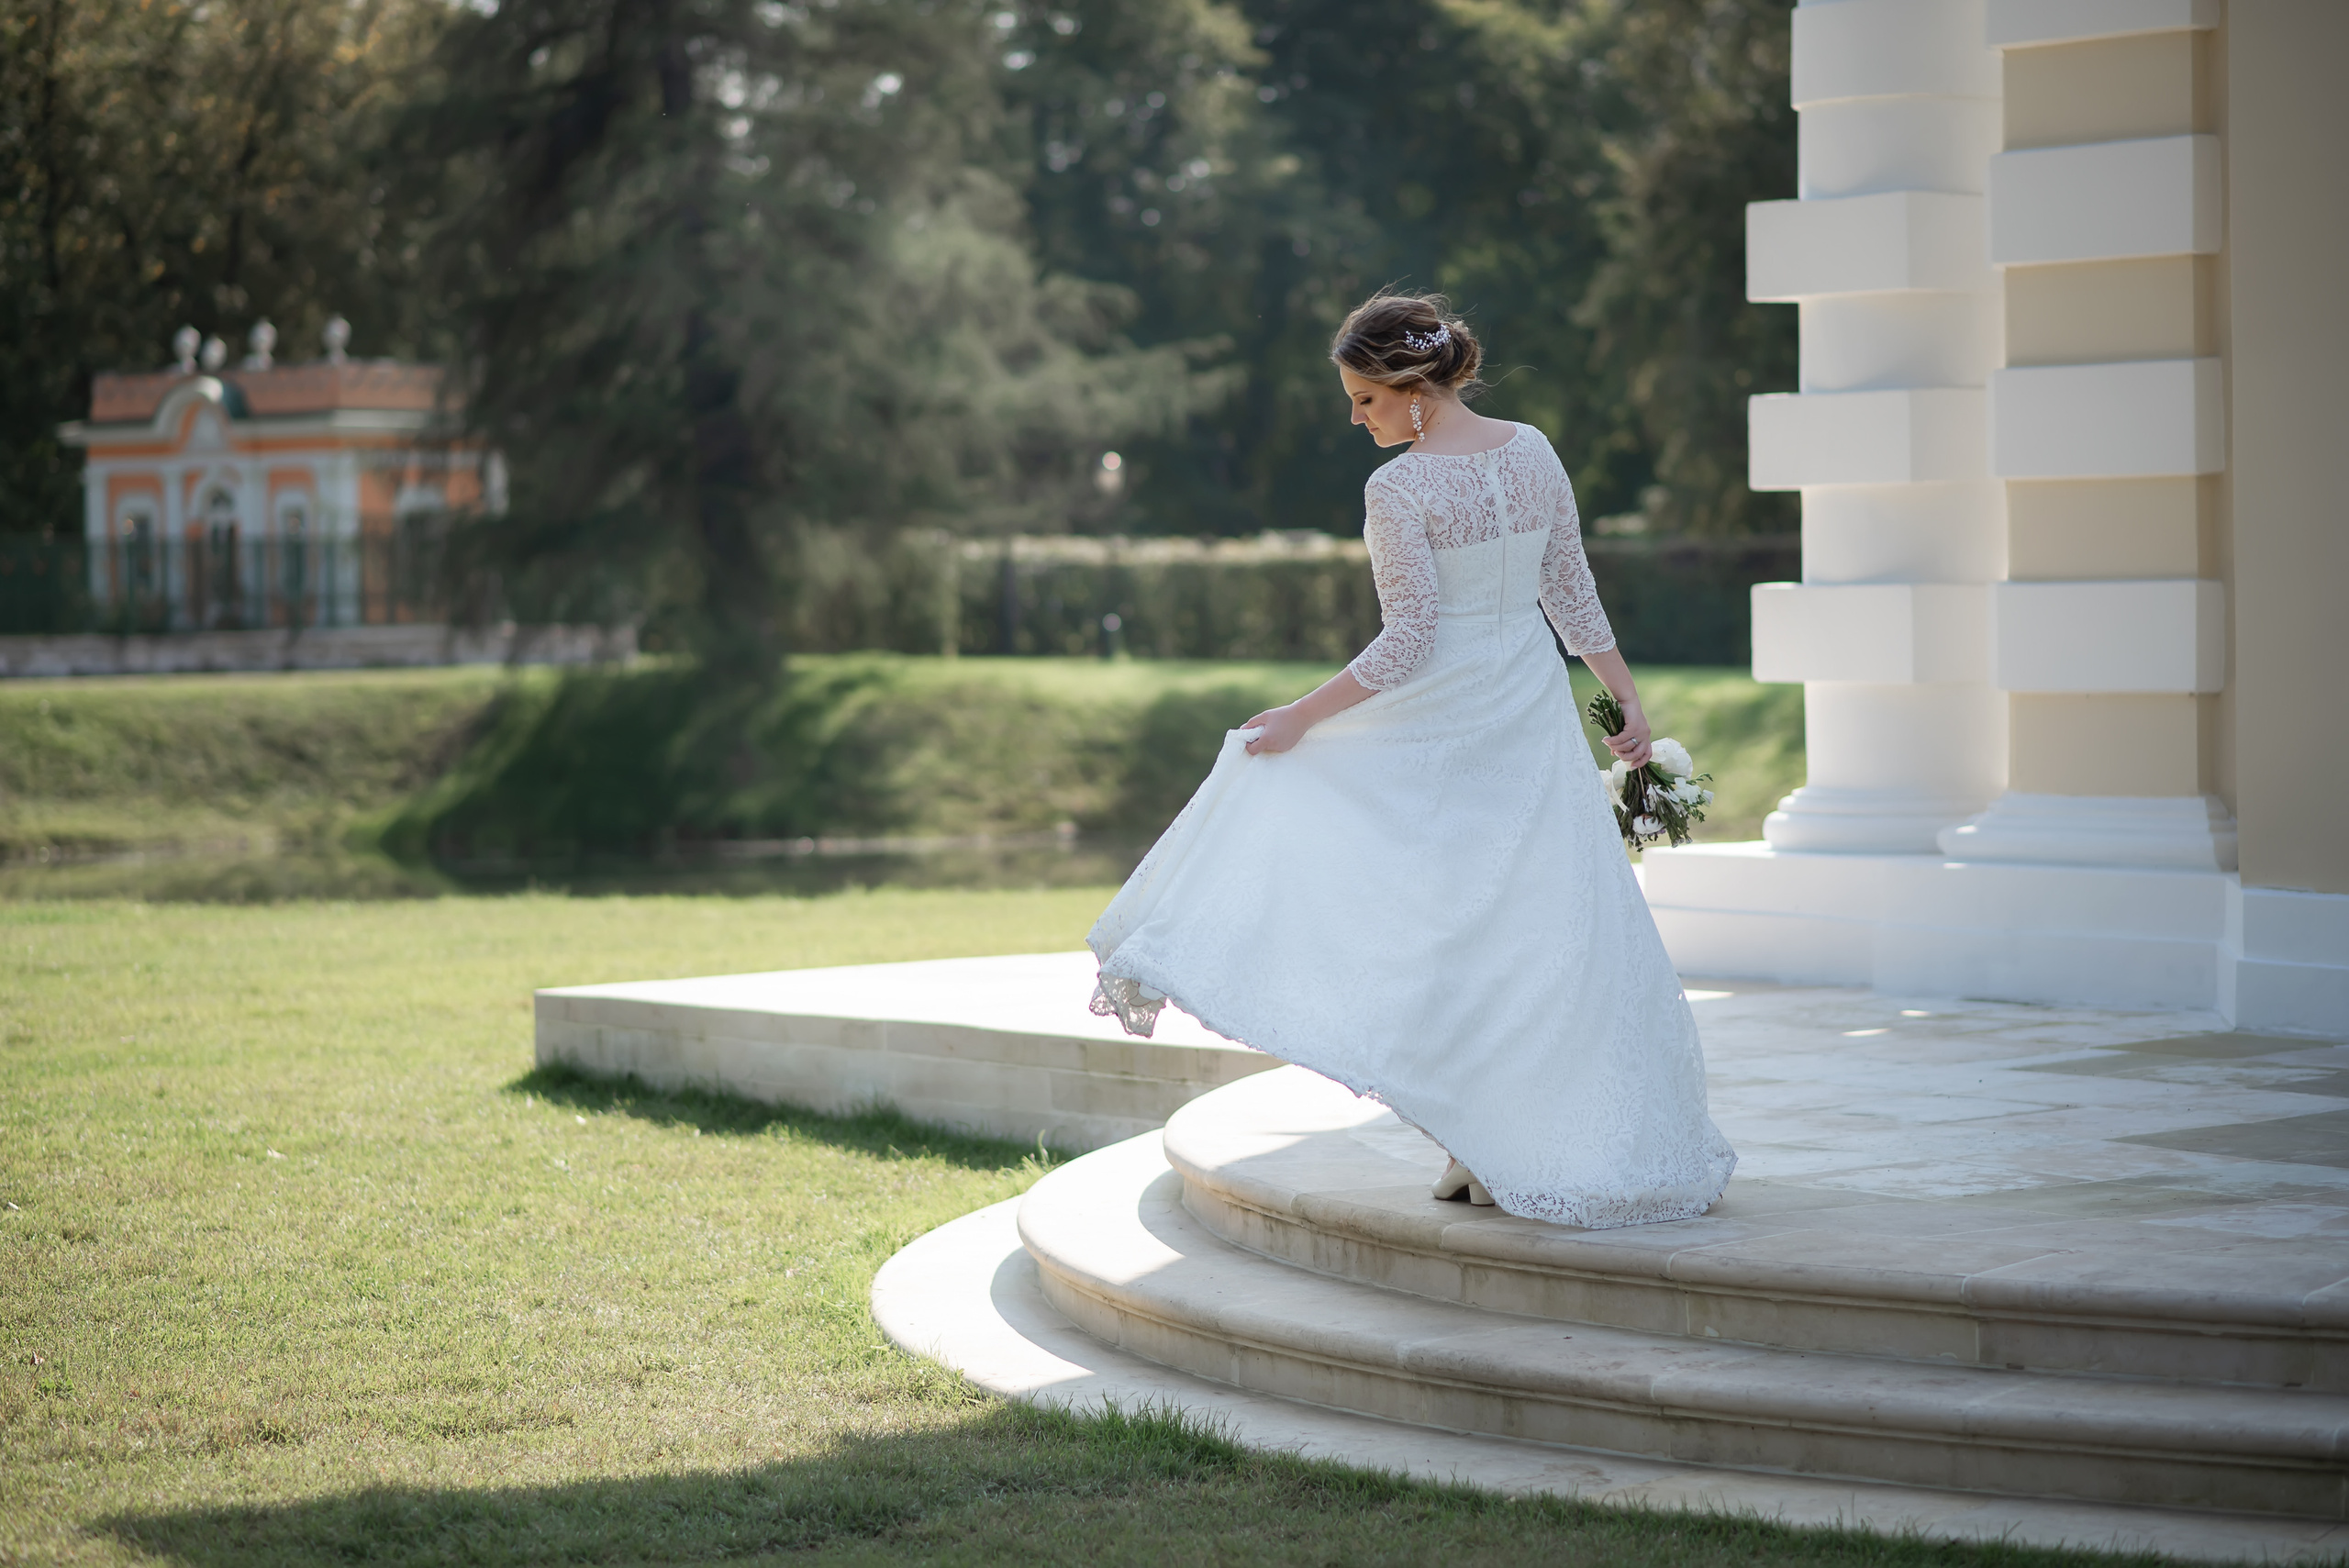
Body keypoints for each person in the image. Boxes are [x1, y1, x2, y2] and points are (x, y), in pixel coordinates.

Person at [1086, 292, 1735, 1229]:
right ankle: (1491, 1142)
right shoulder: (1534, 448)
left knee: (1451, 930)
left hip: (1449, 729)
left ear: (1413, 388)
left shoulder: (1397, 490)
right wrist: (1617, 704)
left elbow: (1409, 642)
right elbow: (1570, 595)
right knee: (1539, 927)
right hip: (1529, 715)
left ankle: (1484, 1142)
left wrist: (1304, 717)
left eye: (1364, 399)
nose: (1357, 419)